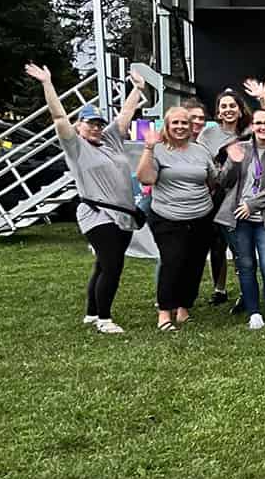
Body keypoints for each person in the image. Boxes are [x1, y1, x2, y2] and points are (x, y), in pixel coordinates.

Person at [25, 63, 145, 334]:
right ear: (79, 125)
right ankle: (104, 318)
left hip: (123, 215)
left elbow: (126, 114)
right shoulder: (75, 147)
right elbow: (58, 118)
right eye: (90, 123)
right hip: (97, 215)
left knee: (103, 264)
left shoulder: (111, 140)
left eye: (99, 123)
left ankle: (92, 313)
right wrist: (47, 83)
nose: (96, 128)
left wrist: (136, 89)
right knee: (113, 266)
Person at [137, 107, 218, 331]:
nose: (180, 127)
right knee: (172, 261)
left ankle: (183, 308)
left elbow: (212, 179)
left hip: (201, 217)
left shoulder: (200, 151)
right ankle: (164, 312)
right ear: (167, 126)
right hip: (167, 218)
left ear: (192, 126)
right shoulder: (158, 150)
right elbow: (146, 178)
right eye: (176, 123)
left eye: (185, 123)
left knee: (194, 264)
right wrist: (148, 148)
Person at [215, 108, 265, 329]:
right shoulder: (242, 149)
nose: (263, 127)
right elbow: (224, 181)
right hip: (239, 218)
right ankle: (254, 313)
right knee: (246, 265)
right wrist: (232, 162)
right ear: (252, 126)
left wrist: (253, 204)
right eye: (258, 123)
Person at [199, 89, 252, 308]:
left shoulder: (251, 132)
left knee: (241, 247)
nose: (228, 110)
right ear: (218, 113)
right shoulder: (207, 135)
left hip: (242, 197)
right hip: (216, 195)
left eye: (233, 106)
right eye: (224, 107)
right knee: (217, 246)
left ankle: (245, 291)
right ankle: (219, 289)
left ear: (240, 110)